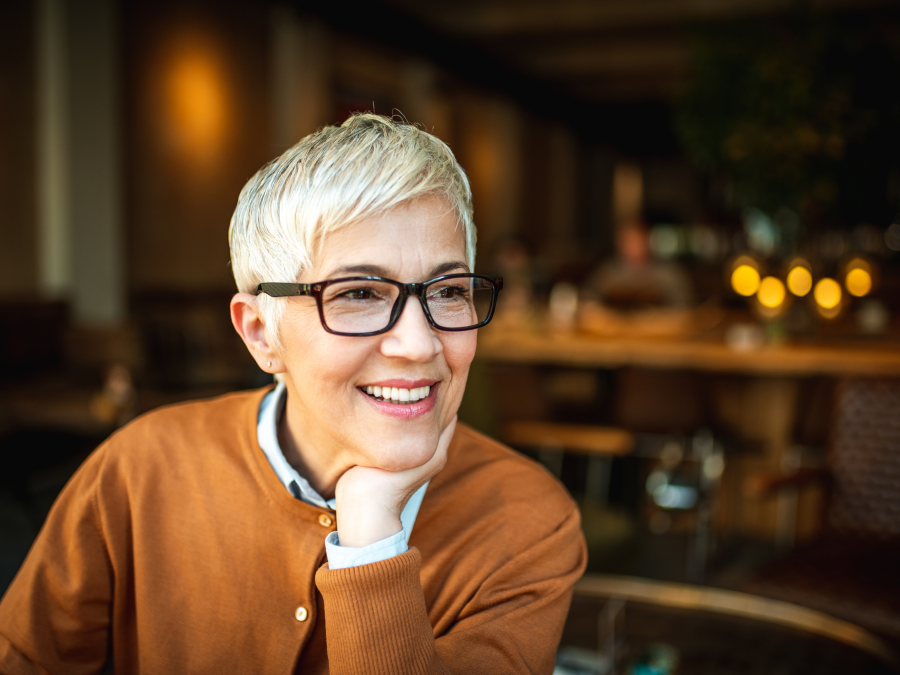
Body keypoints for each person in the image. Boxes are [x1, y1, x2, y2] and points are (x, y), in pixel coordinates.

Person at [0, 114, 587, 673]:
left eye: (449, 291)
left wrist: (371, 531)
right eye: (358, 294)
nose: (418, 342)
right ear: (260, 333)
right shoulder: (140, 469)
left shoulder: (527, 521)